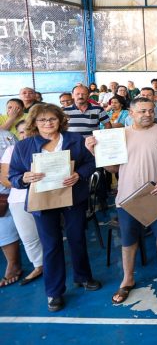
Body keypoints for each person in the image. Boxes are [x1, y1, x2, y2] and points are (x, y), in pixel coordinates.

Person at [86, 97, 157, 304]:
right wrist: (95, 152)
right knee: (128, 240)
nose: (147, 115)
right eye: (142, 111)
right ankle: (127, 279)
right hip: (127, 196)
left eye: (150, 111)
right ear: (131, 113)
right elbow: (113, 168)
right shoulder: (119, 136)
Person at [8, 104, 100, 312]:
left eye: (52, 119)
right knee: (51, 245)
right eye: (42, 120)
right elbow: (13, 176)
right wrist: (24, 178)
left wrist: (79, 175)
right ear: (34, 123)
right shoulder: (24, 146)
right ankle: (54, 292)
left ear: (60, 120)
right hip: (43, 201)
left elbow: (91, 162)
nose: (48, 123)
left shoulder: (75, 140)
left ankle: (83, 277)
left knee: (77, 238)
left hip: (73, 198)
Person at [1, 122, 43, 286]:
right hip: (19, 199)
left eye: (28, 131)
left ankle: (54, 263)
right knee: (29, 236)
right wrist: (24, 181)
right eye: (21, 132)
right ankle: (39, 265)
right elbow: (4, 178)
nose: (25, 135)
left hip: (47, 197)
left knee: (50, 234)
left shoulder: (47, 146)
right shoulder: (12, 150)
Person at [0, 127, 21, 288]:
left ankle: (13, 263)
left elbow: (20, 156)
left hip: (12, 183)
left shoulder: (6, 136)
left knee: (5, 223)